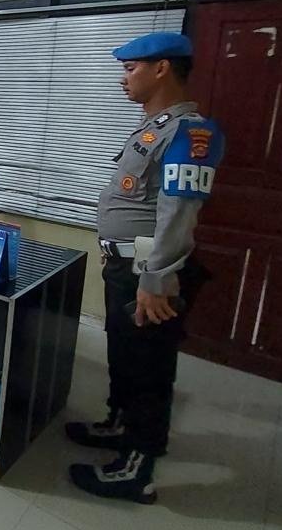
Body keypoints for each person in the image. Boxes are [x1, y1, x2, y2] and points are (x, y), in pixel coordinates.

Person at [66, 31, 224, 505]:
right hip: (126, 266)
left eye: (130, 68)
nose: (123, 78)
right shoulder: (153, 127)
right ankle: (119, 424)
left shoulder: (191, 133)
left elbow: (178, 212)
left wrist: (156, 279)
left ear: (161, 68)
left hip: (149, 275)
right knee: (124, 356)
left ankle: (136, 470)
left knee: (148, 370)